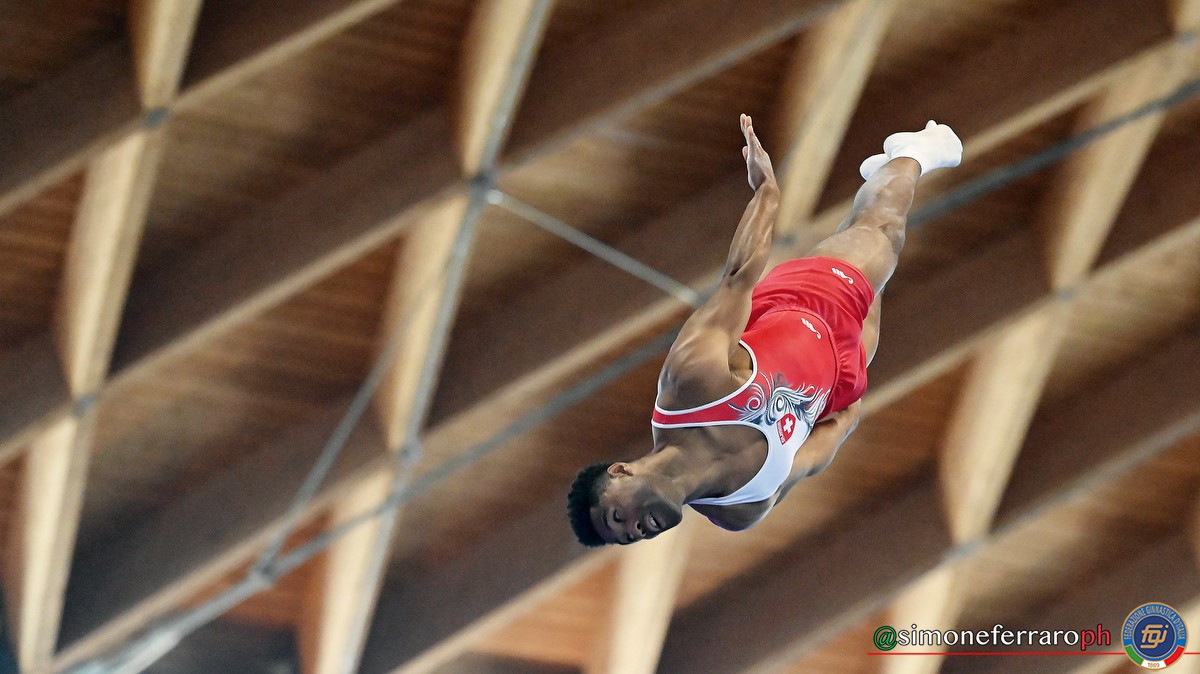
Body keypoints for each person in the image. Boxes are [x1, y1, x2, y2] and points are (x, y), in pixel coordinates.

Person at [567, 115, 962, 545]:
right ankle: (882, 175)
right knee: (872, 261)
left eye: (617, 516)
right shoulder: (740, 510)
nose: (636, 529)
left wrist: (766, 195)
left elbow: (736, 280)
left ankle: (910, 152)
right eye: (628, 537)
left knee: (884, 233)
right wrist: (847, 414)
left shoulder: (688, 386)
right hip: (839, 381)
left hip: (806, 307)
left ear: (621, 471)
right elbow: (809, 460)